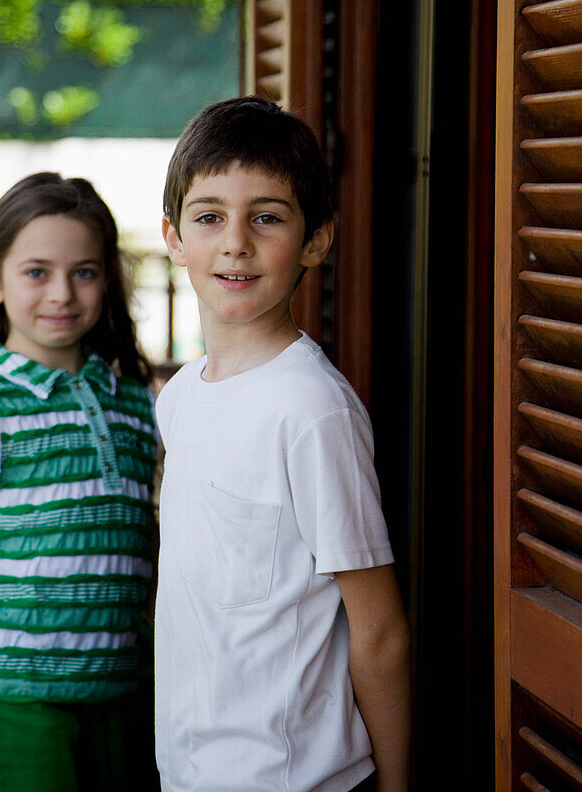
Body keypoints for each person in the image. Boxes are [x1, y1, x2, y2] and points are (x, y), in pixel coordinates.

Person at [155, 98, 411, 792]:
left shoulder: (310, 408)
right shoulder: (178, 398)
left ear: (315, 241)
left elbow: (379, 629)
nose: (235, 241)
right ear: (173, 237)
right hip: (190, 772)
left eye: (265, 217)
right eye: (209, 217)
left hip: (296, 778)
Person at [0, 172, 160, 792]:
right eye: (36, 272)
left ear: (108, 277)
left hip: (126, 700)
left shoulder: (139, 403)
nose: (62, 293)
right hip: (17, 706)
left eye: (84, 271)